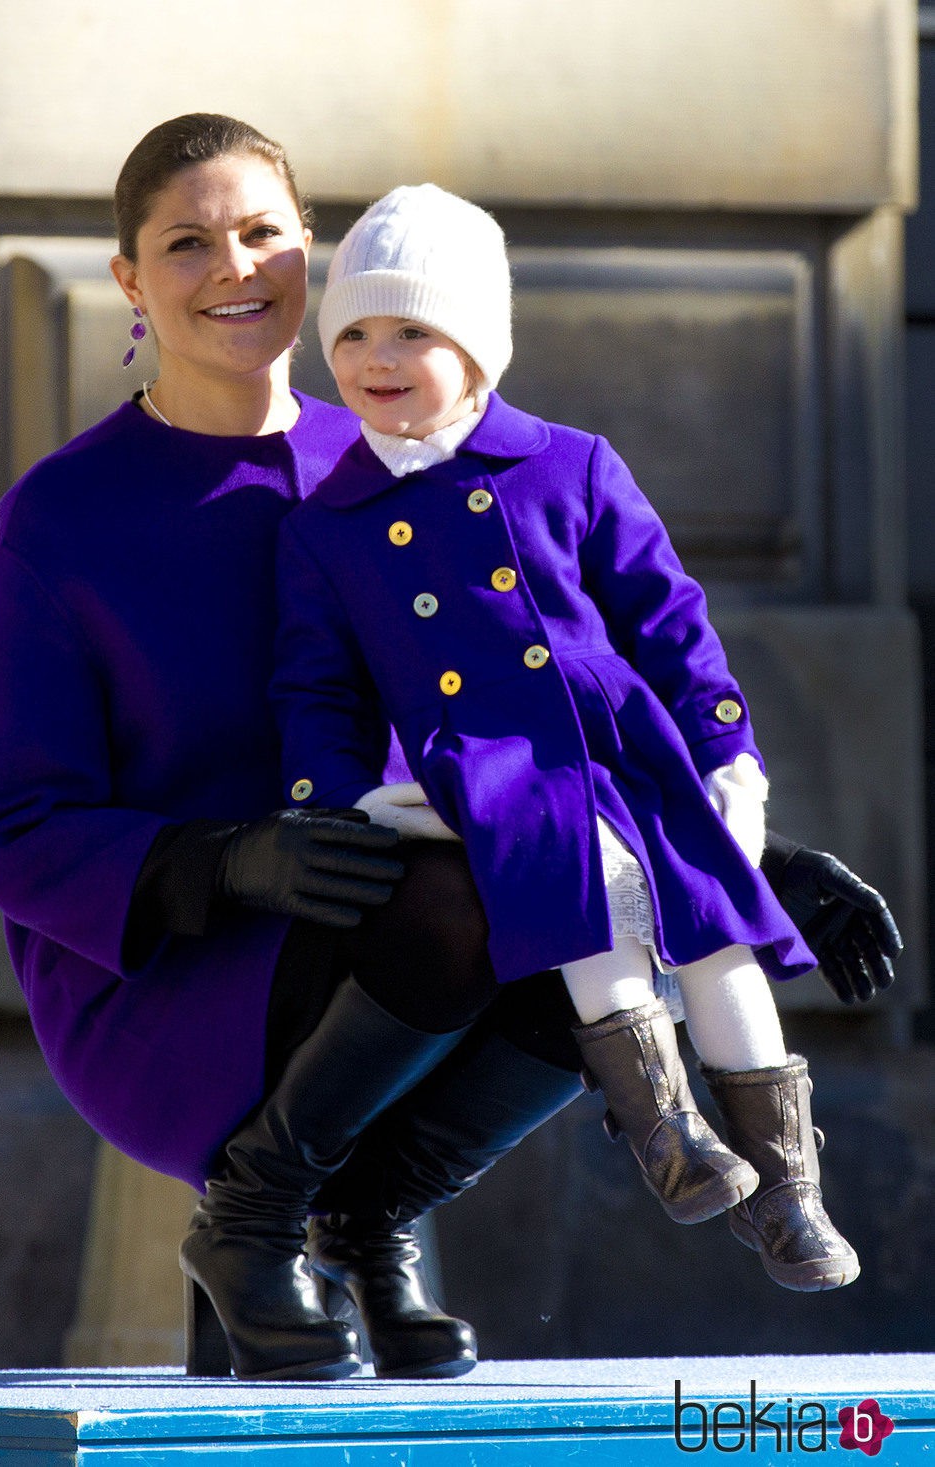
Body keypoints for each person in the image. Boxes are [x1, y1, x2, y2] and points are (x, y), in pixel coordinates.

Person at [0, 117, 899, 1386]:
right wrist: (231, 859)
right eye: (186, 244)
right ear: (129, 279)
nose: (232, 268)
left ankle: (371, 1216)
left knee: (608, 908)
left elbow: (530, 716)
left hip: (405, 909)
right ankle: (252, 1224)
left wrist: (743, 849)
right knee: (475, 897)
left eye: (261, 235)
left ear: (309, 252)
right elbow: (12, 833)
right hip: (174, 968)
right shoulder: (64, 514)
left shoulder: (405, 455)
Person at [271, 183, 895, 1302]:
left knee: (715, 939)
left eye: (413, 330)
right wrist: (344, 795)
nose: (377, 355)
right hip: (493, 774)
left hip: (626, 750)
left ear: (479, 346)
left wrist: (725, 755)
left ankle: (787, 1188)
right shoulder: (327, 525)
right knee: (588, 900)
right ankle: (666, 1134)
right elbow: (316, 686)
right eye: (354, 332)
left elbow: (670, 622)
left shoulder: (568, 464)